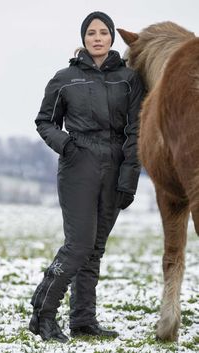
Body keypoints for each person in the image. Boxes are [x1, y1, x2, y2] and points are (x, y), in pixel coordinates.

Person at [29, 11, 145, 343]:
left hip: (115, 167)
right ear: (83, 39)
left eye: (103, 32)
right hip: (78, 166)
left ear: (111, 38)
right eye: (91, 32)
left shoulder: (130, 79)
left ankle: (83, 320)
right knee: (78, 246)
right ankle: (44, 313)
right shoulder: (64, 77)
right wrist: (65, 144)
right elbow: (44, 122)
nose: (97, 37)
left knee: (95, 250)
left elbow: (136, 132)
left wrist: (129, 177)